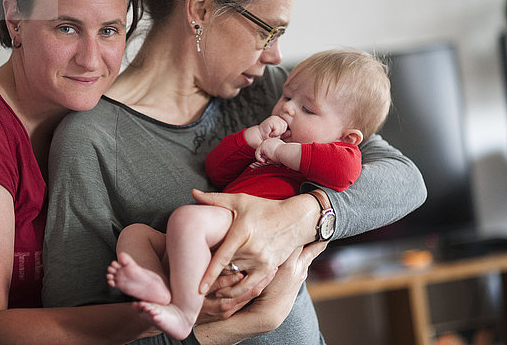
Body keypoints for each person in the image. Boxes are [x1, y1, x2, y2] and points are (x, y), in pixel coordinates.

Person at [0, 0, 323, 343]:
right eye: (66, 28)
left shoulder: (73, 116)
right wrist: (187, 310)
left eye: (109, 31)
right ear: (14, 20)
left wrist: (309, 215)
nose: (91, 59)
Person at [43, 0, 426, 343]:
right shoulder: (91, 139)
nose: (275, 54)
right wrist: (242, 324)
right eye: (267, 30)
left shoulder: (274, 93)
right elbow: (77, 329)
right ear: (202, 10)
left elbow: (406, 180)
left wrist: (303, 217)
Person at [106, 49, 391, 340]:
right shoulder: (270, 140)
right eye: (287, 97)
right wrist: (250, 139)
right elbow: (216, 170)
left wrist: (283, 152)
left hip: (249, 235)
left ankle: (183, 313)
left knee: (186, 220)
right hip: (219, 232)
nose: (287, 109)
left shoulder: (340, 153)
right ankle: (157, 287)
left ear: (347, 138)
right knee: (135, 234)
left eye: (308, 109)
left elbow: (344, 172)